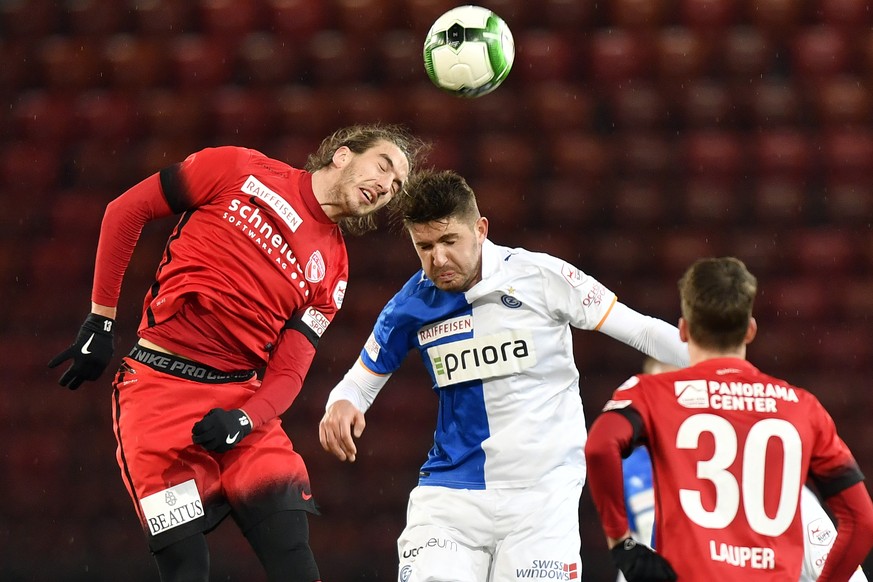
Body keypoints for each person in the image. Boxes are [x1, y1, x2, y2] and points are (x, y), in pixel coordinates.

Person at [47, 124, 428, 582]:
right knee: (187, 568)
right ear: (342, 155)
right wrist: (100, 319)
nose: (386, 186)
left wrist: (246, 419)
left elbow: (289, 372)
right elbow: (126, 211)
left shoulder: (334, 270)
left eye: (397, 185)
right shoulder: (237, 168)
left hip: (240, 404)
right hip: (155, 397)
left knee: (292, 554)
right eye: (384, 166)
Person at [317, 169, 690, 581]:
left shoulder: (541, 277)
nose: (438, 259)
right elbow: (358, 382)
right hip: (451, 496)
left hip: (542, 497)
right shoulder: (410, 306)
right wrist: (343, 402)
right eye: (424, 246)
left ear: (480, 229)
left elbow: (642, 330)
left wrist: (722, 364)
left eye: (449, 241)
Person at [585, 257, 873, 582]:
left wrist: (621, 544)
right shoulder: (801, 407)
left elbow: (599, 446)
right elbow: (862, 520)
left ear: (683, 330)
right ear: (750, 331)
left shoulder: (652, 393)